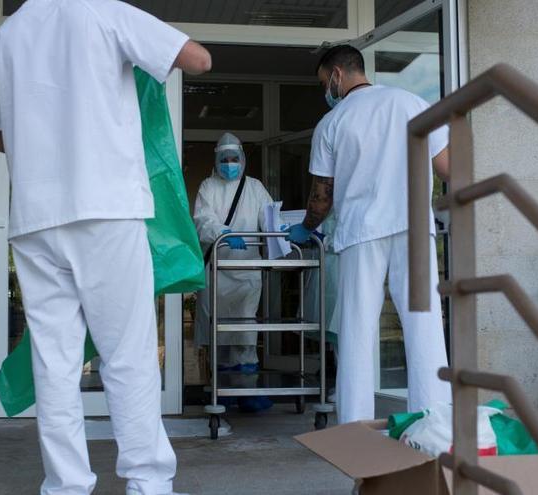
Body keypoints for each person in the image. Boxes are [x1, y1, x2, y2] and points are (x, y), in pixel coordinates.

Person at [0, 1, 211, 494]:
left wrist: (38, 143)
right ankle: (147, 483)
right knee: (127, 354)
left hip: (35, 218)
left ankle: (65, 486)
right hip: (107, 208)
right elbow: (198, 59)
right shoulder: (104, 12)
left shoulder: (9, 34)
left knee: (54, 363)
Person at [286, 45, 452, 424]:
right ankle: (433, 423)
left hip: (361, 233)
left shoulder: (332, 123)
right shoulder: (412, 103)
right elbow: (447, 168)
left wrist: (305, 228)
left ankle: (354, 427)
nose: (325, 91)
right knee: (423, 326)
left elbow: (321, 197)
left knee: (357, 329)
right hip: (413, 226)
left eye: (323, 83)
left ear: (337, 76)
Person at [193, 132, 274, 412]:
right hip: (217, 272)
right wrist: (224, 233)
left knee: (245, 332)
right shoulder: (208, 187)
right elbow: (203, 220)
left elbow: (268, 216)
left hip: (248, 270)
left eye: (234, 159)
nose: (230, 164)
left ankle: (248, 390)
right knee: (219, 335)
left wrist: (281, 231)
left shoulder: (254, 187)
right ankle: (222, 389)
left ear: (243, 160)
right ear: (217, 161)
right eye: (225, 159)